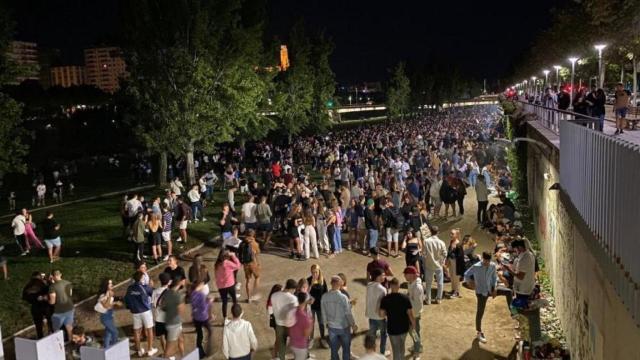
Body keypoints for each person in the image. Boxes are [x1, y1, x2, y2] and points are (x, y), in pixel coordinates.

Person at [463, 251, 498, 343]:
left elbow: (494, 277)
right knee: (480, 312)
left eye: (488, 261)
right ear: (483, 258)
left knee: (508, 292)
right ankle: (479, 332)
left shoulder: (493, 265)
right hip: (481, 292)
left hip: (490, 290)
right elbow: (466, 274)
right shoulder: (476, 267)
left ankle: (513, 312)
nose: (487, 263)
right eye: (486, 261)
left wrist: (494, 288)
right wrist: (470, 282)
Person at [321, 275, 357, 360]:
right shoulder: (343, 297)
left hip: (331, 327)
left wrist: (326, 322)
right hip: (343, 327)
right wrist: (353, 324)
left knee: (333, 350)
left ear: (331, 283)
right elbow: (348, 313)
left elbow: (323, 312)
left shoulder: (324, 297)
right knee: (346, 350)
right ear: (340, 284)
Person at [124, 270, 158, 357]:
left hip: (135, 312)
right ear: (140, 278)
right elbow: (154, 293)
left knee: (137, 331)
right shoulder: (145, 287)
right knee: (149, 329)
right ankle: (150, 349)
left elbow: (126, 299)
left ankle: (139, 350)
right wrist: (152, 286)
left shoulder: (130, 288)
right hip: (145, 311)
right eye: (143, 277)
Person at [379, 277, 414, 360]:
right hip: (404, 327)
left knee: (395, 349)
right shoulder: (405, 298)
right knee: (402, 347)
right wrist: (413, 325)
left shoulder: (385, 299)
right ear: (399, 286)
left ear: (390, 286)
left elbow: (381, 315)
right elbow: (410, 314)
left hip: (392, 328)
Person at [271, 279, 299, 360]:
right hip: (290, 325)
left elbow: (273, 309)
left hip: (279, 324)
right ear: (292, 289)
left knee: (281, 345)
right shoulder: (293, 299)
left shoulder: (274, 295)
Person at [22, 271, 53, 338]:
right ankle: (52, 333)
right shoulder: (42, 283)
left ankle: (40, 337)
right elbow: (50, 291)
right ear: (39, 276)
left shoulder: (28, 285)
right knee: (50, 321)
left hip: (35, 307)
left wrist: (35, 298)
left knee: (38, 325)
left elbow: (24, 296)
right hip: (45, 306)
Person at [366, 268, 388, 356]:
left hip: (371, 315)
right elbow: (384, 305)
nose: (384, 276)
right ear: (378, 277)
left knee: (372, 335)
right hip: (380, 317)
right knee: (383, 335)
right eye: (383, 275)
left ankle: (372, 354)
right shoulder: (382, 289)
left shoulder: (369, 285)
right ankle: (382, 353)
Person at [161, 274, 185, 358]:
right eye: (183, 280)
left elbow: (162, 306)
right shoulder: (177, 296)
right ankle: (166, 357)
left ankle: (183, 356)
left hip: (169, 322)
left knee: (181, 339)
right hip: (174, 324)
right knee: (169, 348)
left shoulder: (167, 292)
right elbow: (181, 310)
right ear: (180, 283)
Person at [422, 226, 447, 304]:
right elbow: (445, 254)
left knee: (428, 283)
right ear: (438, 232)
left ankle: (428, 299)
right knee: (440, 283)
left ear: (430, 232)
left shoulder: (426, 241)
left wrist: (426, 259)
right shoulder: (441, 242)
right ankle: (439, 299)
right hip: (438, 265)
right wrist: (441, 262)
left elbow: (424, 253)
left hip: (429, 264)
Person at [94, 278, 121, 349]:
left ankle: (106, 347)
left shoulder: (110, 292)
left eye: (112, 283)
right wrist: (109, 297)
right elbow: (105, 306)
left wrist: (115, 303)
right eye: (110, 283)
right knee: (115, 332)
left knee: (108, 333)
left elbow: (109, 305)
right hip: (105, 317)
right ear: (106, 285)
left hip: (110, 314)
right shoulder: (102, 295)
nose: (112, 284)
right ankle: (114, 347)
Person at [48, 270, 74, 341]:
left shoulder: (52, 287)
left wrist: (46, 300)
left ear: (52, 276)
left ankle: (58, 346)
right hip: (70, 308)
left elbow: (52, 302)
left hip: (59, 312)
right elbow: (70, 294)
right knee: (69, 328)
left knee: (56, 331)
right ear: (60, 274)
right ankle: (71, 343)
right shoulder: (68, 283)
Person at [403, 266, 424, 357]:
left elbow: (418, 305)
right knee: (411, 331)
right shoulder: (411, 283)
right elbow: (410, 296)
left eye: (406, 274)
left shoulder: (417, 287)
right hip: (411, 313)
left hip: (414, 314)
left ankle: (417, 352)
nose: (404, 276)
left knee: (414, 332)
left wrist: (413, 316)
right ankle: (418, 345)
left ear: (411, 275)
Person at [215, 249, 241, 319]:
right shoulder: (227, 263)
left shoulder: (217, 264)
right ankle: (236, 314)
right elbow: (238, 266)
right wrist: (233, 256)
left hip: (221, 287)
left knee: (224, 302)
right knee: (234, 300)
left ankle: (225, 318)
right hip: (230, 285)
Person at [190, 280, 213, 358]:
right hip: (203, 317)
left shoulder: (192, 293)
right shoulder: (201, 295)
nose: (203, 286)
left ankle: (200, 352)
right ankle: (209, 350)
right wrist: (209, 302)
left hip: (196, 318)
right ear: (199, 285)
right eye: (202, 284)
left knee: (199, 335)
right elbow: (204, 308)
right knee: (210, 331)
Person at [308, 264, 328, 348]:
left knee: (321, 323)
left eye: (316, 272)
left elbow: (326, 293)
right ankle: (311, 339)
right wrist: (311, 284)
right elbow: (305, 293)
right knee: (311, 324)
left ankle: (323, 338)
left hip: (320, 307)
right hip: (311, 307)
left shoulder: (323, 280)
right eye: (313, 273)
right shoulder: (309, 280)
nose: (314, 274)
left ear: (319, 271)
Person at [289, 292, 314, 360]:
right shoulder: (305, 317)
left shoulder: (292, 310)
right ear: (305, 301)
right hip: (300, 346)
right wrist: (310, 325)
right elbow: (306, 334)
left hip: (292, 342)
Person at [151, 272, 171, 352]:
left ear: (160, 281)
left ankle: (165, 352)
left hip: (158, 318)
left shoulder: (155, 292)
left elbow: (153, 305)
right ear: (169, 282)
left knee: (162, 336)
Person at [240, 229, 261, 302]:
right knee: (257, 277)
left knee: (248, 280)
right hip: (253, 262)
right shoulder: (255, 243)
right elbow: (257, 253)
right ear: (253, 234)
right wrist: (258, 263)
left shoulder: (242, 242)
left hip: (246, 263)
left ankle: (249, 298)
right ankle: (255, 294)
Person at [267, 284, 284, 359]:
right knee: (278, 339)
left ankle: (276, 353)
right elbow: (270, 312)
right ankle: (274, 355)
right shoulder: (272, 300)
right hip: (276, 322)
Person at [446, 229, 464, 299]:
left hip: (456, 264)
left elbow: (460, 257)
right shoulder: (451, 242)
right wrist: (447, 260)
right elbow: (449, 251)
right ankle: (453, 290)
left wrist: (452, 256)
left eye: (452, 234)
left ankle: (456, 292)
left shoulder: (458, 244)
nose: (451, 235)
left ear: (456, 235)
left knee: (456, 278)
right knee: (452, 277)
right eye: (450, 233)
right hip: (451, 262)